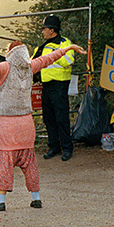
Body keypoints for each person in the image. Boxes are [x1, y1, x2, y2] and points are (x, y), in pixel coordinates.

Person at [0, 38, 86, 211]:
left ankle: (0, 201)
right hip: (26, 122)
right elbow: (49, 58)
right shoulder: (30, 67)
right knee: (29, 162)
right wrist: (68, 48)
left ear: (10, 53)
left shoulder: (5, 67)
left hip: (6, 123)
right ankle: (36, 198)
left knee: (4, 162)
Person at [35, 15, 77, 160]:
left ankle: (67, 148)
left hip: (60, 86)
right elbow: (33, 63)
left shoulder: (65, 43)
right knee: (49, 119)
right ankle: (54, 147)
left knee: (61, 118)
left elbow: (69, 60)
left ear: (52, 30)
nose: (42, 32)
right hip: (46, 86)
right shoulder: (43, 47)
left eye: (44, 29)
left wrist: (54, 55)